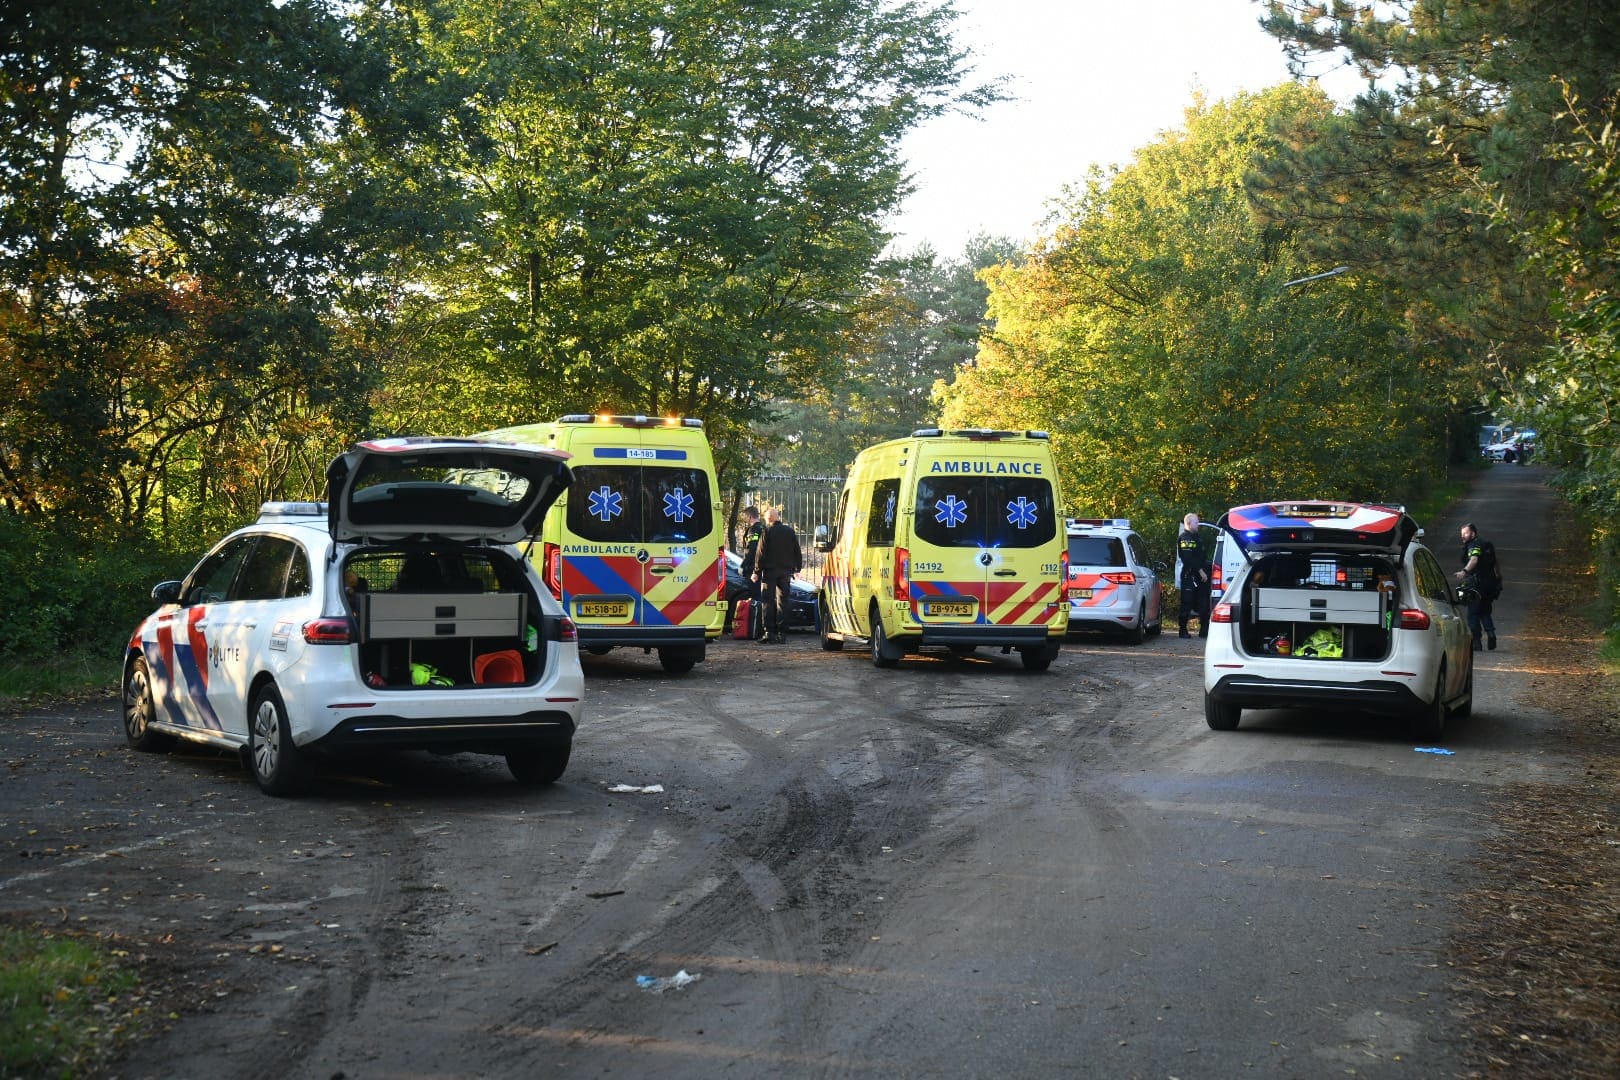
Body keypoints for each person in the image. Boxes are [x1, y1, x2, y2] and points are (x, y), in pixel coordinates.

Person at [753, 506, 801, 645]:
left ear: (768, 519)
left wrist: (757, 571)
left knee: (767, 601)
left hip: (770, 572)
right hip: (786, 572)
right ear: (778, 517)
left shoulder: (767, 531)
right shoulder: (789, 532)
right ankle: (782, 633)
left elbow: (760, 553)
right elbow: (796, 551)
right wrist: (797, 568)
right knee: (783, 602)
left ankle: (769, 633)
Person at [1453, 522, 1501, 650]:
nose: (1462, 537)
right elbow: (1495, 562)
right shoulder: (1487, 544)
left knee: (1473, 613)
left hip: (1477, 584)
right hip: (1490, 584)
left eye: (1465, 534)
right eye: (1461, 534)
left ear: (1473, 533)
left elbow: (1474, 559)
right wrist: (1498, 579)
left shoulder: (1474, 545)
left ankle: (1476, 641)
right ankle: (1491, 635)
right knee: (1485, 610)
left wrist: (1464, 572)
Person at [1176, 512, 1210, 639]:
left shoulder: (1197, 537)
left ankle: (1204, 630)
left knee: (1203, 603)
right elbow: (1188, 558)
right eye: (1196, 522)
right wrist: (1200, 570)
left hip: (1201, 577)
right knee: (1187, 603)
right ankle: (1182, 630)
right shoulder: (1185, 538)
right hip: (1190, 576)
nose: (1198, 524)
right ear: (1189, 523)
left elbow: (1202, 557)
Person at [737, 505, 765, 639]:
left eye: (745, 516)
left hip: (753, 568)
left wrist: (743, 565)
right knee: (757, 597)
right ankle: (758, 628)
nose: (744, 519)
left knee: (755, 597)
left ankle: (756, 629)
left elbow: (752, 550)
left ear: (749, 516)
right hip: (758, 567)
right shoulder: (760, 528)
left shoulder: (756, 529)